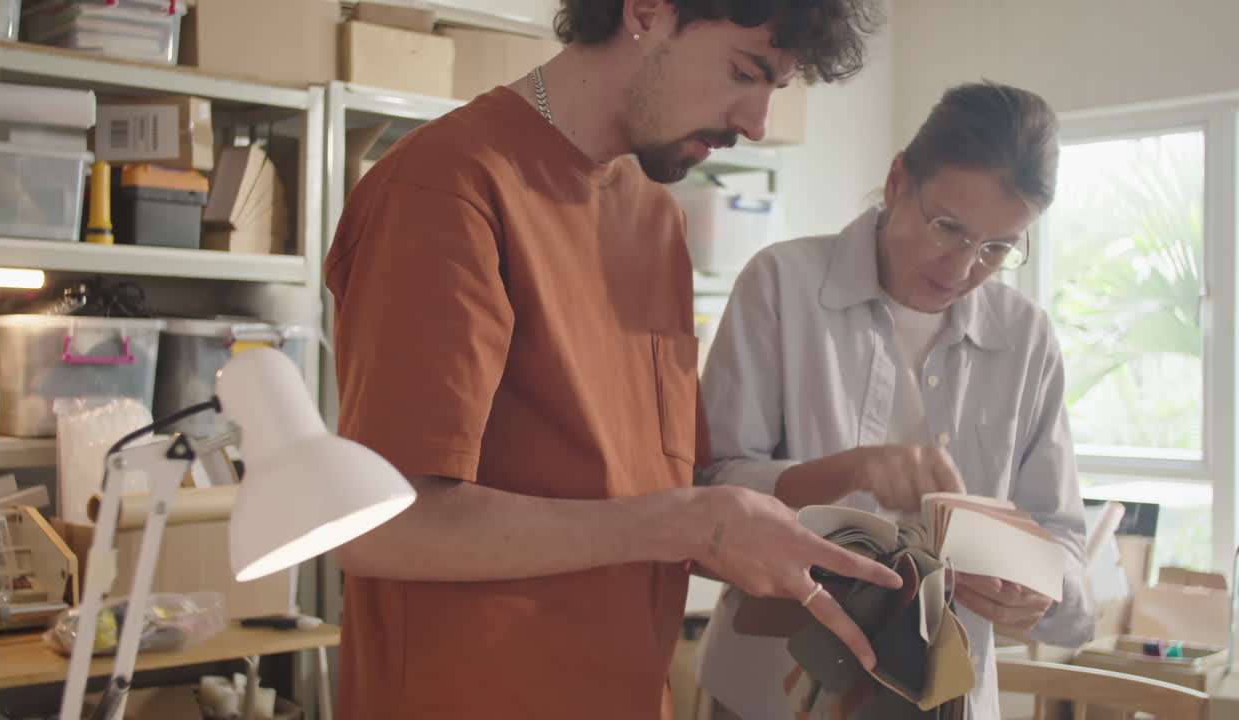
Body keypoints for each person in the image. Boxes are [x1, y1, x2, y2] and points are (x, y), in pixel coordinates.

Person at [323, 1, 900, 719]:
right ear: (647, 12)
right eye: (744, 73)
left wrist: (827, 558)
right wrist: (690, 523)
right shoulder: (449, 185)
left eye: (773, 91)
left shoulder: (656, 220)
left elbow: (648, 490)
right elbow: (383, 528)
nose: (754, 123)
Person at [693, 81, 1097, 720]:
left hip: (946, 700)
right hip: (773, 694)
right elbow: (707, 488)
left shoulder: (1026, 338)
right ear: (896, 182)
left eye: (997, 248)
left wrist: (1045, 595)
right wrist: (846, 471)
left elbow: (1068, 556)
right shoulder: (782, 285)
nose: (963, 268)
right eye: (948, 228)